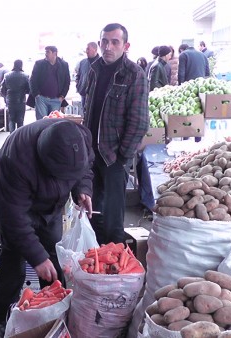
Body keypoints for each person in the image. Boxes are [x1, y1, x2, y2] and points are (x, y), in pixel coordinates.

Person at [0, 118, 94, 336]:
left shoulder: (79, 137)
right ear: (46, 164)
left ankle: (52, 309)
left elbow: (84, 167)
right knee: (15, 256)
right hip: (16, 203)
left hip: (51, 206)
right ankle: (2, 312)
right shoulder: (16, 160)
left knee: (53, 254)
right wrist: (36, 257)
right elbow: (13, 216)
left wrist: (82, 189)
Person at [83, 23, 149, 245]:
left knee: (112, 217)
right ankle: (94, 257)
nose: (108, 47)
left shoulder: (134, 74)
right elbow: (88, 108)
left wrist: (123, 156)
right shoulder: (94, 69)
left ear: (126, 45)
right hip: (91, 152)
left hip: (113, 155)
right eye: (104, 41)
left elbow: (139, 121)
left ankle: (114, 261)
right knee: (91, 210)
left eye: (114, 42)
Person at [27, 46, 71, 120]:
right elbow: (32, 80)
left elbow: (67, 82)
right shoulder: (39, 64)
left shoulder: (64, 65)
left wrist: (62, 96)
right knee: (42, 121)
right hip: (41, 98)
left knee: (53, 123)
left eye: (48, 52)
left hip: (56, 99)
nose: (46, 54)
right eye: (45, 52)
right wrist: (36, 95)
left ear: (55, 53)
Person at [0, 59, 30, 132]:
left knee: (11, 119)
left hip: (10, 100)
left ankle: (11, 136)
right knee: (20, 120)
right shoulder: (25, 76)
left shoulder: (6, 75)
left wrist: (6, 96)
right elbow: (29, 89)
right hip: (21, 100)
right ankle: (19, 136)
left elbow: (2, 89)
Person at [76, 42, 100, 111]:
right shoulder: (82, 62)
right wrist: (78, 86)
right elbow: (79, 75)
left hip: (95, 96)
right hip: (83, 94)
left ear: (95, 49)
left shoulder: (101, 63)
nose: (86, 51)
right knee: (85, 114)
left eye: (88, 49)